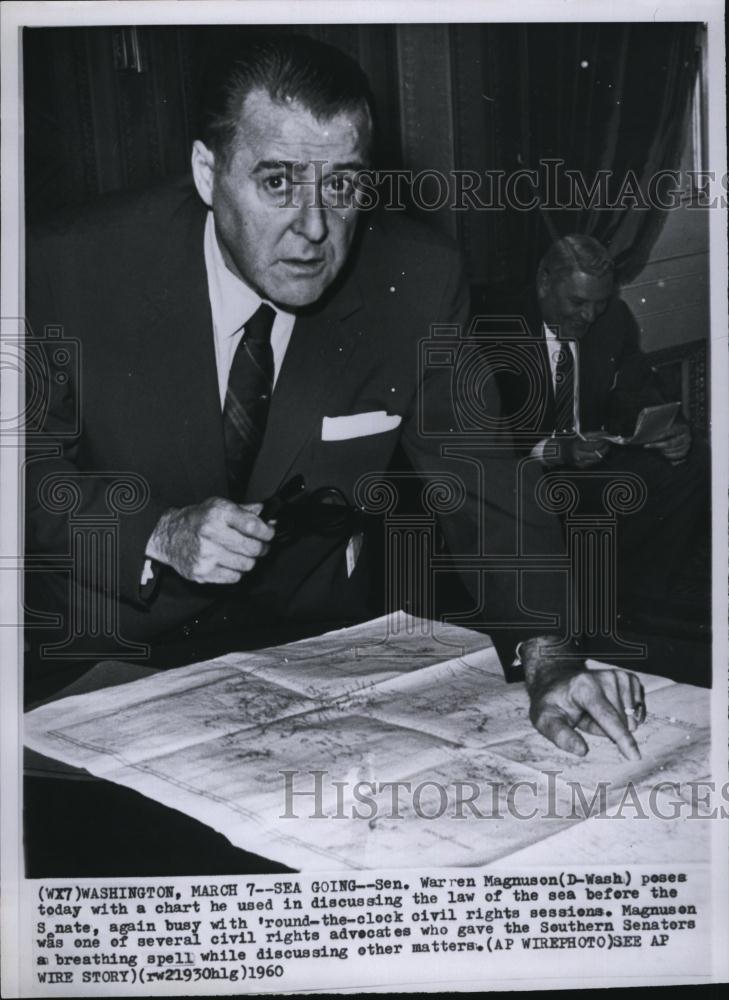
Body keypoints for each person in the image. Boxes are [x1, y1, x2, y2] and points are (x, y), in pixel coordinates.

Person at [25, 36, 646, 763]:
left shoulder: (415, 280)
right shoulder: (65, 266)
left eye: (343, 187)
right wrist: (156, 532)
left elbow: (487, 482)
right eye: (278, 183)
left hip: (305, 653)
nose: (315, 228)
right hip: (100, 652)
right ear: (206, 172)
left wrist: (549, 654)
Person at [487, 234, 708, 650]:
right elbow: (482, 431)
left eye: (600, 303)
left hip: (593, 458)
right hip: (521, 470)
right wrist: (557, 449)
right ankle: (582, 613)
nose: (589, 316)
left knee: (691, 463)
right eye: (577, 302)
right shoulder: (494, 327)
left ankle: (638, 602)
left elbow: (635, 390)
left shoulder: (614, 320)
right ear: (543, 283)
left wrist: (666, 427)